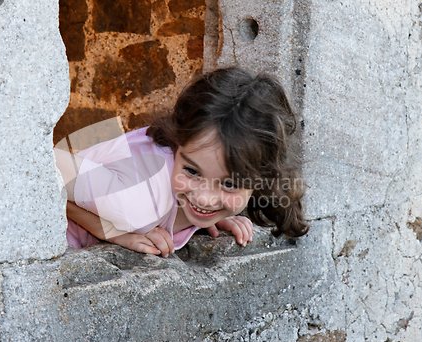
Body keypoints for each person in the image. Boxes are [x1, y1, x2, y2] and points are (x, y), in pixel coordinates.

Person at [56, 67, 309, 258]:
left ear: (262, 178)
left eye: (230, 183)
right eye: (191, 171)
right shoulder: (137, 202)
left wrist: (208, 217)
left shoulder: (186, 176)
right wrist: (111, 231)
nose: (204, 198)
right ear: (177, 142)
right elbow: (44, 166)